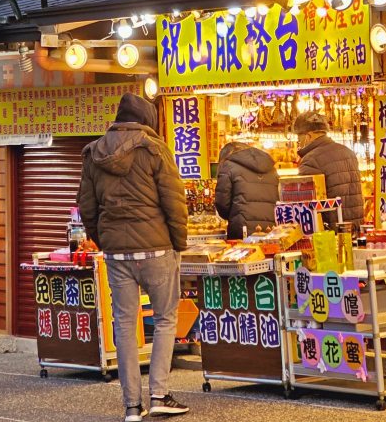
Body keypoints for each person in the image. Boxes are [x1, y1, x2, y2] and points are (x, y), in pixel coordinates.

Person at [77, 93, 190, 422]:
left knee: (124, 326)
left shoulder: (93, 153)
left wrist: (105, 241)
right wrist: (178, 244)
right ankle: (159, 395)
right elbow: (175, 203)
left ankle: (131, 407)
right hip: (157, 250)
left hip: (116, 254)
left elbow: (87, 209)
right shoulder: (155, 149)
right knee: (166, 318)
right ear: (148, 121)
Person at [293, 109, 364, 223]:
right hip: (355, 226)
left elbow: (306, 204)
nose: (298, 143)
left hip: (330, 232)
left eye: (299, 138)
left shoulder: (311, 159)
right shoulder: (348, 152)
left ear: (308, 136)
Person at [214, 140, 278, 239]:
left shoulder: (228, 166)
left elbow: (222, 203)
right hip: (271, 227)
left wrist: (234, 216)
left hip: (241, 228)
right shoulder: (271, 168)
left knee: (246, 253)